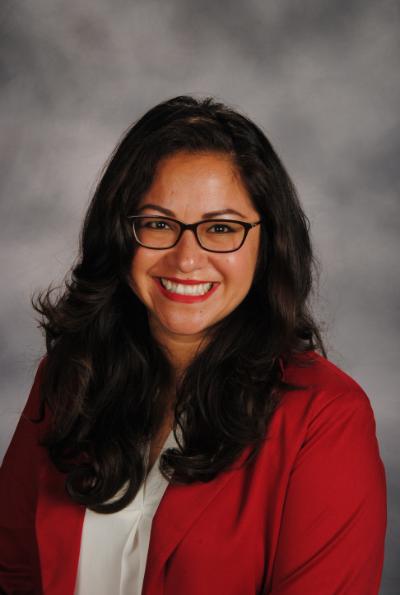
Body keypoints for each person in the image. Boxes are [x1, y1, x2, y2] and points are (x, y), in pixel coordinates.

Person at [0, 95, 386, 595]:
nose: (186, 259)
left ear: (268, 244)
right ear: (121, 233)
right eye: (159, 224)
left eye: (220, 228)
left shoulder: (325, 416)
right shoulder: (70, 374)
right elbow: (12, 571)